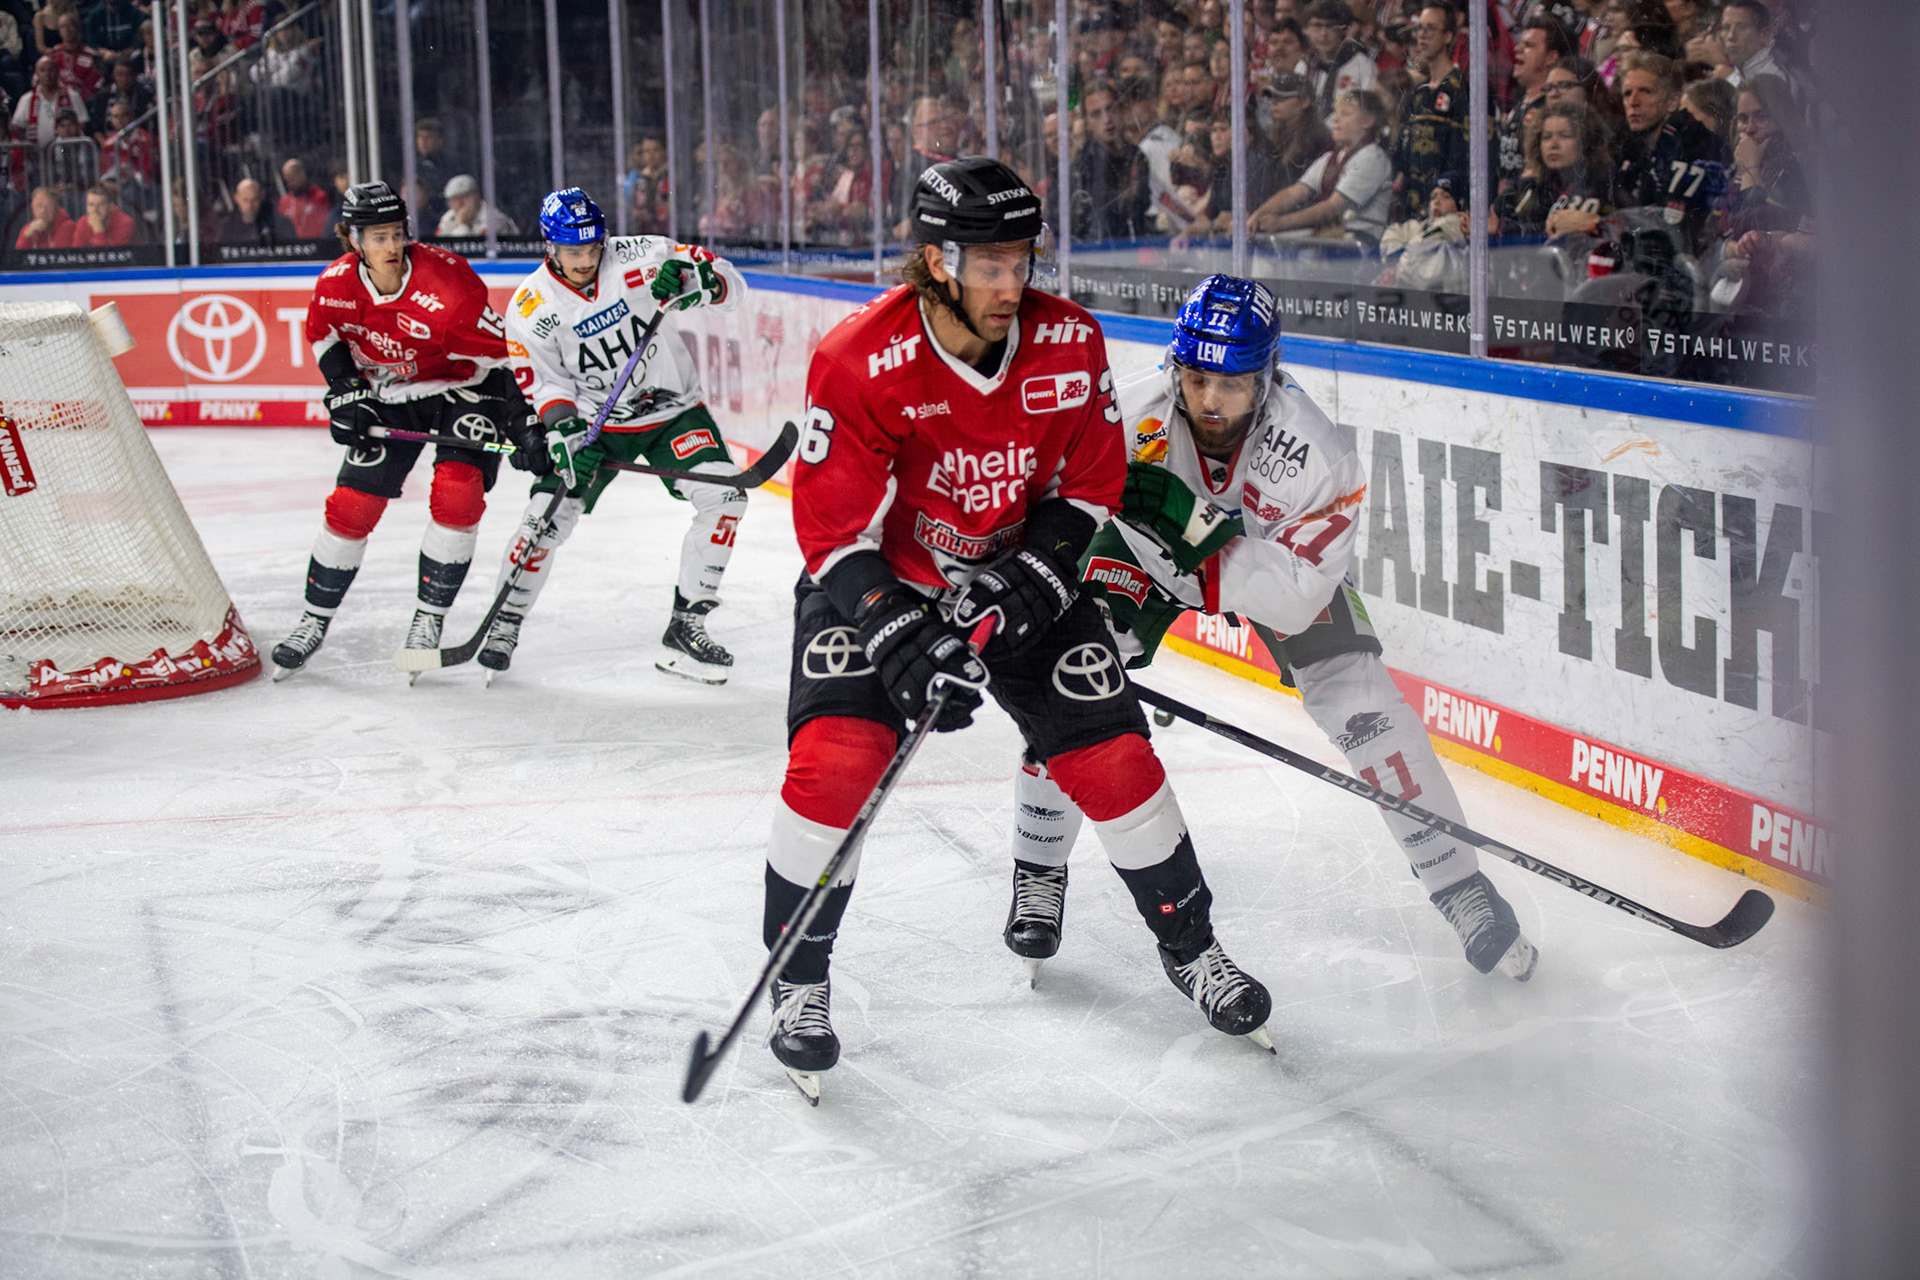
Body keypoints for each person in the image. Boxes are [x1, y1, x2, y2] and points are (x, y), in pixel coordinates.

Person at [761, 157, 1275, 1102]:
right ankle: (797, 978)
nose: (1011, 284)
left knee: (1117, 761)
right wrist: (900, 637)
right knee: (835, 764)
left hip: (1019, 577)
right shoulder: (858, 357)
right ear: (934, 259)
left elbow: (1088, 486)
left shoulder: (1068, 341)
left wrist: (1034, 576)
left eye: (1021, 260)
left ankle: (1192, 950)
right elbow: (831, 530)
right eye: (988, 265)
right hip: (885, 582)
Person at [1006, 273, 1540, 985]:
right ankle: (1038, 868)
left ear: (1268, 375)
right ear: (1176, 368)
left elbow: (1292, 600)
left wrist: (1193, 530)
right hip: (1140, 558)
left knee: (1367, 706)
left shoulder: (1319, 455)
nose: (1211, 400)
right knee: (1073, 687)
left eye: (1232, 383)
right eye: (1196, 379)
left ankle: (1460, 885)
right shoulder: (1126, 414)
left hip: (1262, 570)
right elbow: (1049, 499)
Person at [270, 182, 544, 679]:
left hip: (467, 387)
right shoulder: (334, 285)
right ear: (353, 241)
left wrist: (525, 420)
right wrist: (345, 389)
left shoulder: (449, 288)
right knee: (351, 506)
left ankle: (428, 620)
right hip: (392, 392)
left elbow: (507, 358)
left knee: (458, 494)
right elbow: (324, 335)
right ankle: (313, 620)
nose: (391, 247)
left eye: (397, 234)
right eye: (377, 238)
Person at [486, 188, 749, 681]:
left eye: (592, 248)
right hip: (594, 426)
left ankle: (686, 623)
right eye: (572, 251)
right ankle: (505, 620)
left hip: (671, 412)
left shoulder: (645, 255)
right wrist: (563, 435)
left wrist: (702, 283)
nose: (586, 260)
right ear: (549, 247)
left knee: (726, 498)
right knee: (546, 517)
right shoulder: (529, 307)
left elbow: (734, 286)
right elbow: (545, 386)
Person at [1614, 49, 1728, 254]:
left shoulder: (1694, 142)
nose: (1633, 102)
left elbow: (1675, 230)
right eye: (1627, 93)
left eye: (1646, 91)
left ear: (1673, 101)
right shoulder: (1652, 150)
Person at [1249, 88, 1393, 243]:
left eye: (1345, 114)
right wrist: (1257, 215)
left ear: (1368, 121)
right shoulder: (1331, 157)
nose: (1335, 120)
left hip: (1360, 239)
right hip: (1332, 237)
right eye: (1336, 113)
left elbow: (1333, 207)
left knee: (1278, 246)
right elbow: (1295, 193)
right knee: (1270, 244)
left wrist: (1281, 223)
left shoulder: (1371, 157)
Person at [1393, 2, 1470, 221]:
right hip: (1413, 212)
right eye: (1420, 28)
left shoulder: (1463, 89)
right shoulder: (1417, 93)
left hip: (1447, 210)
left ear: (1448, 36)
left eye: (1431, 29)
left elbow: (1463, 158)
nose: (1422, 36)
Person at [1496, 100, 1614, 237]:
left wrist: (1596, 224)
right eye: (1546, 137)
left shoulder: (1605, 184)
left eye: (1565, 136)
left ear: (1586, 141)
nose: (1553, 144)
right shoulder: (1534, 187)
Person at [1070, 82, 1152, 241]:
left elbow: (1141, 208)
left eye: (1111, 109)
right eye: (1096, 114)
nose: (1107, 119)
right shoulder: (1083, 165)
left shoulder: (1136, 156)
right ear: (1088, 123)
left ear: (1121, 110)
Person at [1498, 15, 1571, 193]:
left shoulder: (1553, 109)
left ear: (1550, 57)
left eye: (1529, 45)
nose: (1517, 49)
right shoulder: (1520, 104)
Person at [1304, 0, 1376, 121]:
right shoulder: (1305, 65)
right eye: (1317, 25)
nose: (1323, 33)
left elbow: (1367, 112)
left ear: (1344, 29)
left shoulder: (1364, 67)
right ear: (1307, 29)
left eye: (1330, 26)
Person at [435, 173, 518, 238]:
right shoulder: (448, 217)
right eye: (454, 199)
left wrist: (462, 225)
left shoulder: (494, 220)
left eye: (465, 197)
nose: (460, 204)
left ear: (476, 196)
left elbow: (472, 254)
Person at [223, 176, 298, 245]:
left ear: (261, 197)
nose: (250, 206)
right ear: (237, 199)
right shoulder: (227, 228)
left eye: (254, 200)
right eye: (245, 200)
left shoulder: (282, 225)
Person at [66, 180, 136, 245]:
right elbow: (77, 254)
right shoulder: (83, 222)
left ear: (111, 206)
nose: (95, 209)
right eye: (91, 204)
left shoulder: (125, 223)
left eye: (101, 204)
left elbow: (112, 255)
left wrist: (99, 230)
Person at [279, 158, 331, 239]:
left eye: (292, 176)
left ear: (302, 174)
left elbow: (322, 227)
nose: (289, 182)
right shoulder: (284, 201)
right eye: (287, 178)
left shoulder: (319, 196)